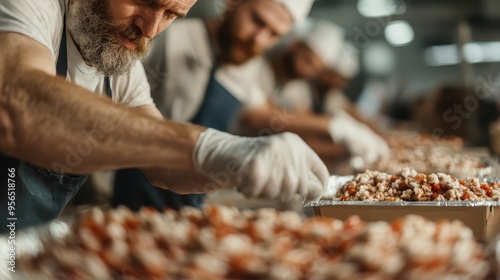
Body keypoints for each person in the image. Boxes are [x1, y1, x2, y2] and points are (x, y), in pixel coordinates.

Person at [0, 0, 329, 232]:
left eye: (172, 13)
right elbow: (20, 104)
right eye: (142, 1)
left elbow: (162, 166)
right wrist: (203, 145)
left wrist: (237, 162)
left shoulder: (120, 67)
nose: (151, 28)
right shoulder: (32, 7)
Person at [112, 0, 317, 211]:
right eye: (256, 20)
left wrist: (334, 128)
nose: (258, 39)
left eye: (274, 34)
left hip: (189, 210)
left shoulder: (248, 67)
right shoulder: (168, 36)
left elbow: (260, 111)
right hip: (123, 198)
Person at [239, 20, 390, 168]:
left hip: (266, 163)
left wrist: (340, 152)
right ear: (295, 44)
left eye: (316, 70)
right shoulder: (254, 67)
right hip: (236, 158)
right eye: (307, 60)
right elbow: (258, 117)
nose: (307, 71)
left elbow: (302, 133)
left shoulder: (298, 88)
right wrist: (334, 126)